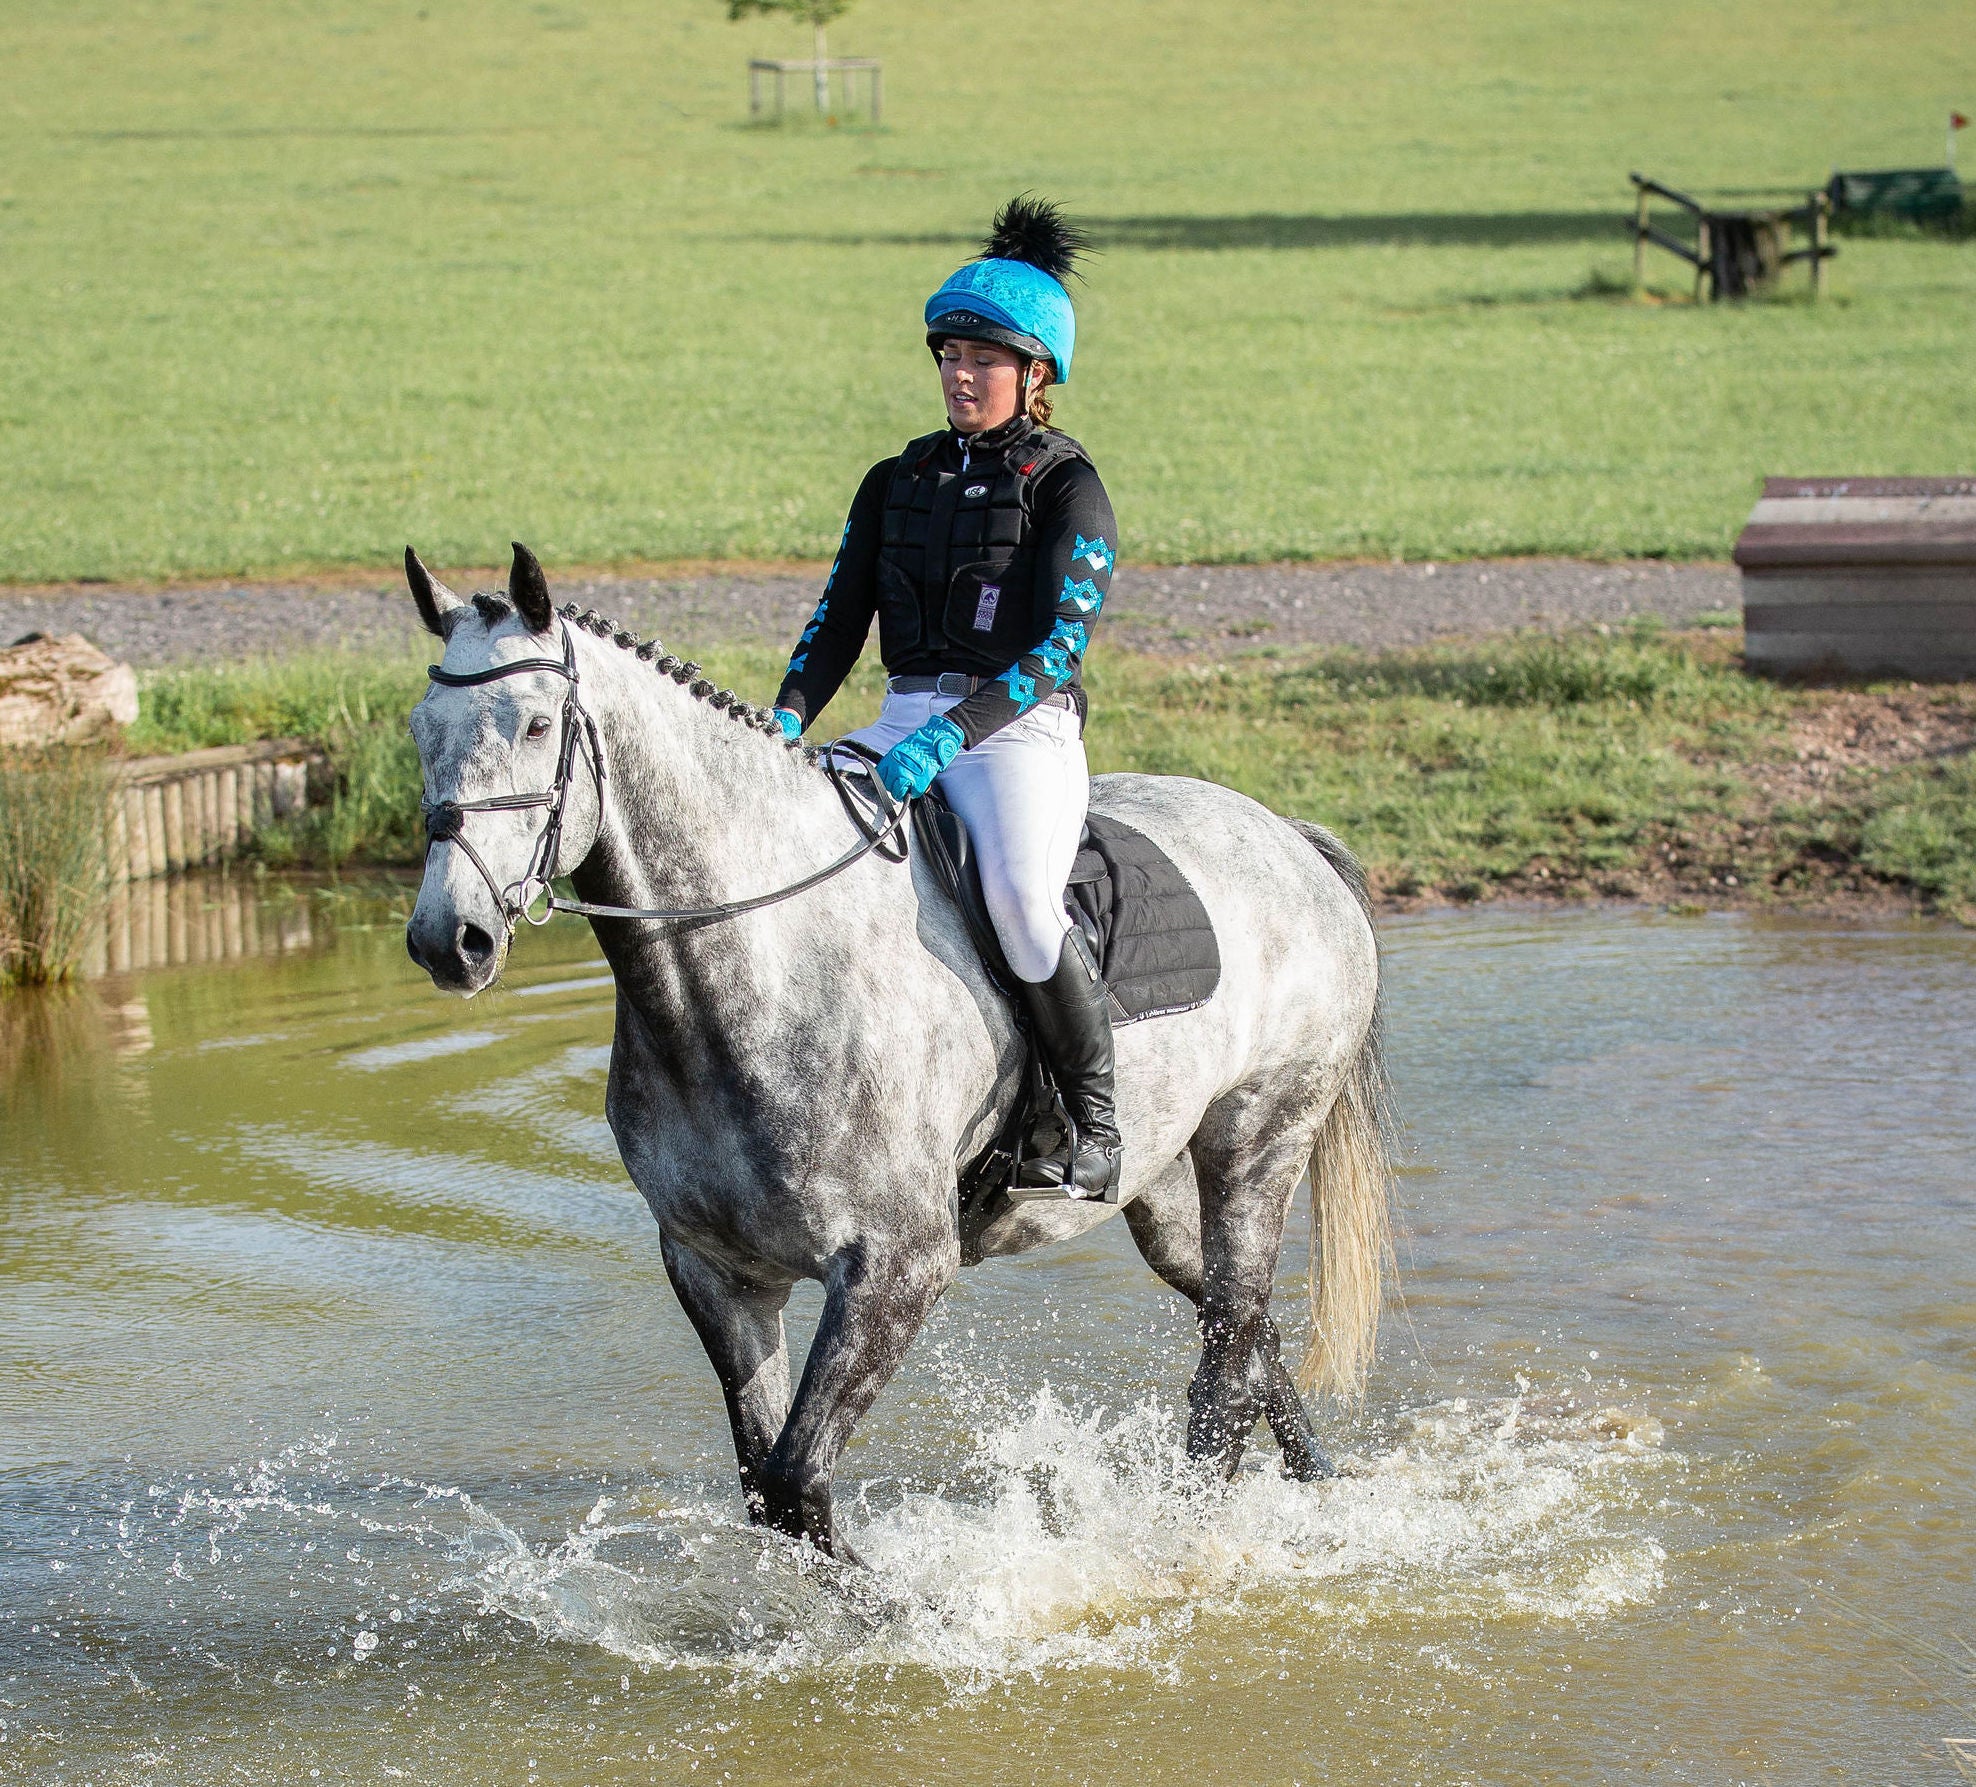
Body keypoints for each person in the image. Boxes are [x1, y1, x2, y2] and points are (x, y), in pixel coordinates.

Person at [771, 197, 1122, 1201]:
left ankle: (1093, 1125)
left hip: (1015, 734)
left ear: (1035, 372)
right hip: (898, 716)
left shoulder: (1068, 486)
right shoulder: (895, 479)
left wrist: (950, 737)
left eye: (984, 359)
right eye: (949, 356)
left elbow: (1059, 649)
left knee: (1019, 902)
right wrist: (785, 717)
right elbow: (838, 618)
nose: (961, 375)